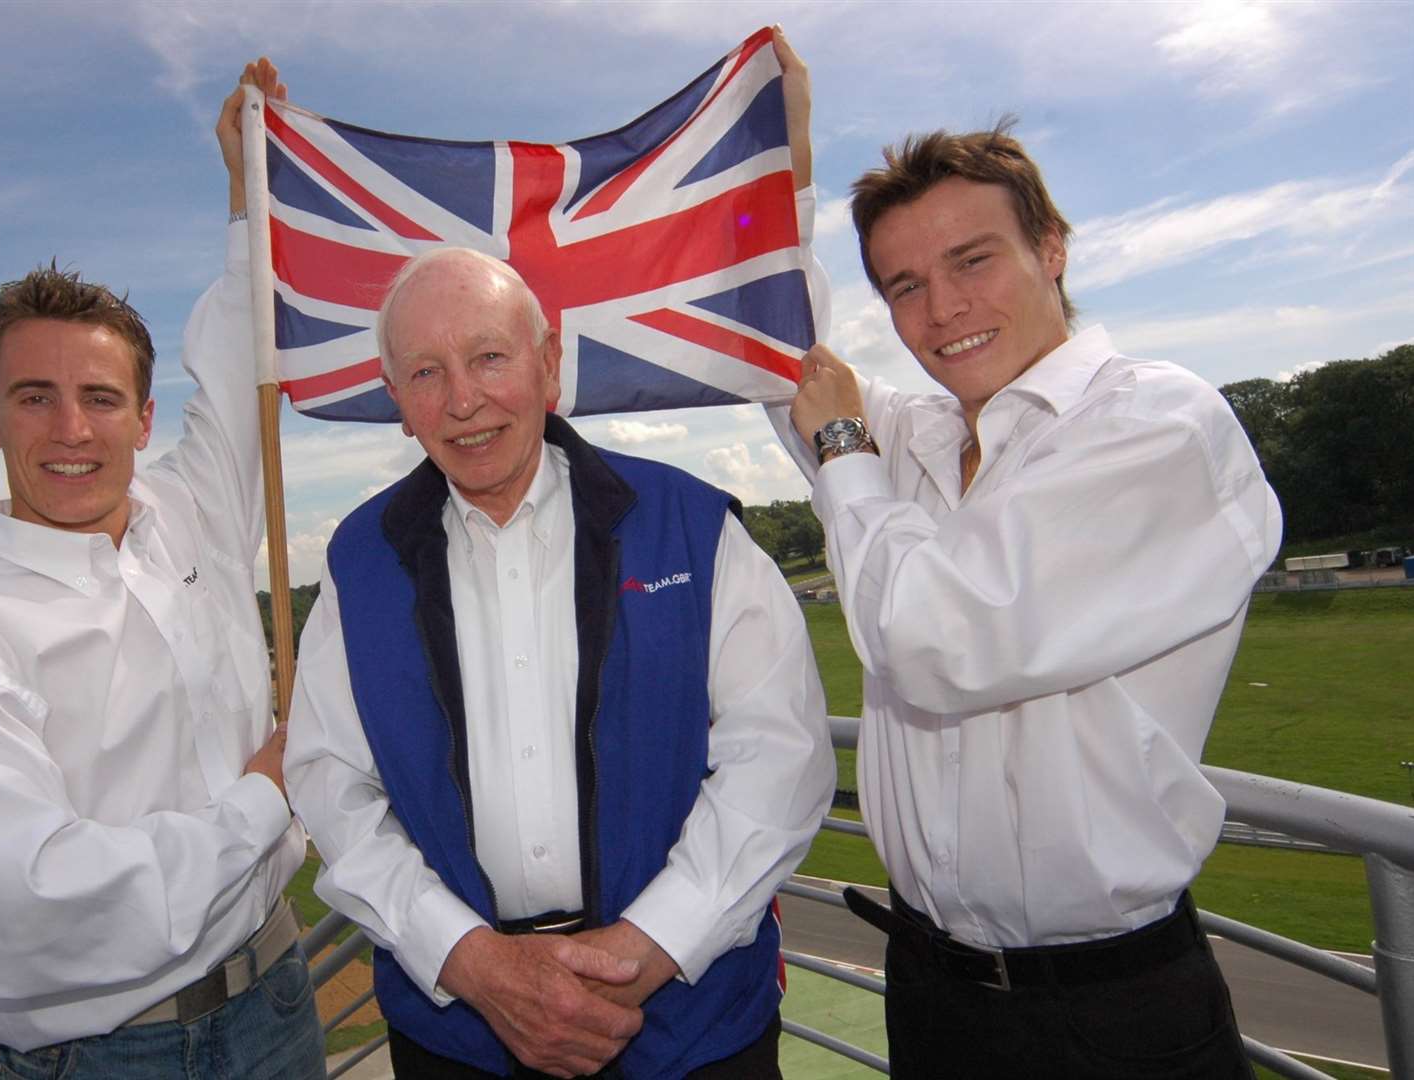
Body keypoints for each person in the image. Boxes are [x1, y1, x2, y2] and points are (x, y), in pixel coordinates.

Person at [282, 34, 833, 1075]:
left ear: (546, 366)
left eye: (489, 358)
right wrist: (476, 964)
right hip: (461, 1033)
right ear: (395, 403)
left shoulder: (688, 525)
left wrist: (644, 949)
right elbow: (330, 787)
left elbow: (781, 754)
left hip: (685, 1025)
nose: (463, 400)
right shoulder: (358, 565)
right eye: (426, 373)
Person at [770, 101, 1282, 1076]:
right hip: (931, 990)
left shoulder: (1155, 424)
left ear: (1050, 248)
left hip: (1109, 1014)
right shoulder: (916, 435)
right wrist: (773, 167)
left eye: (973, 260)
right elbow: (777, 356)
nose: (942, 309)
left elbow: (935, 641)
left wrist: (840, 446)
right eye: (903, 285)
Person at [0, 60, 327, 1079]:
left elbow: (247, 372)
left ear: (142, 419)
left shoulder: (185, 513)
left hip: (280, 1005)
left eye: (102, 399)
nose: (72, 431)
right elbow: (37, 904)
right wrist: (269, 795)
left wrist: (249, 191)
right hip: (111, 1056)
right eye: (33, 397)